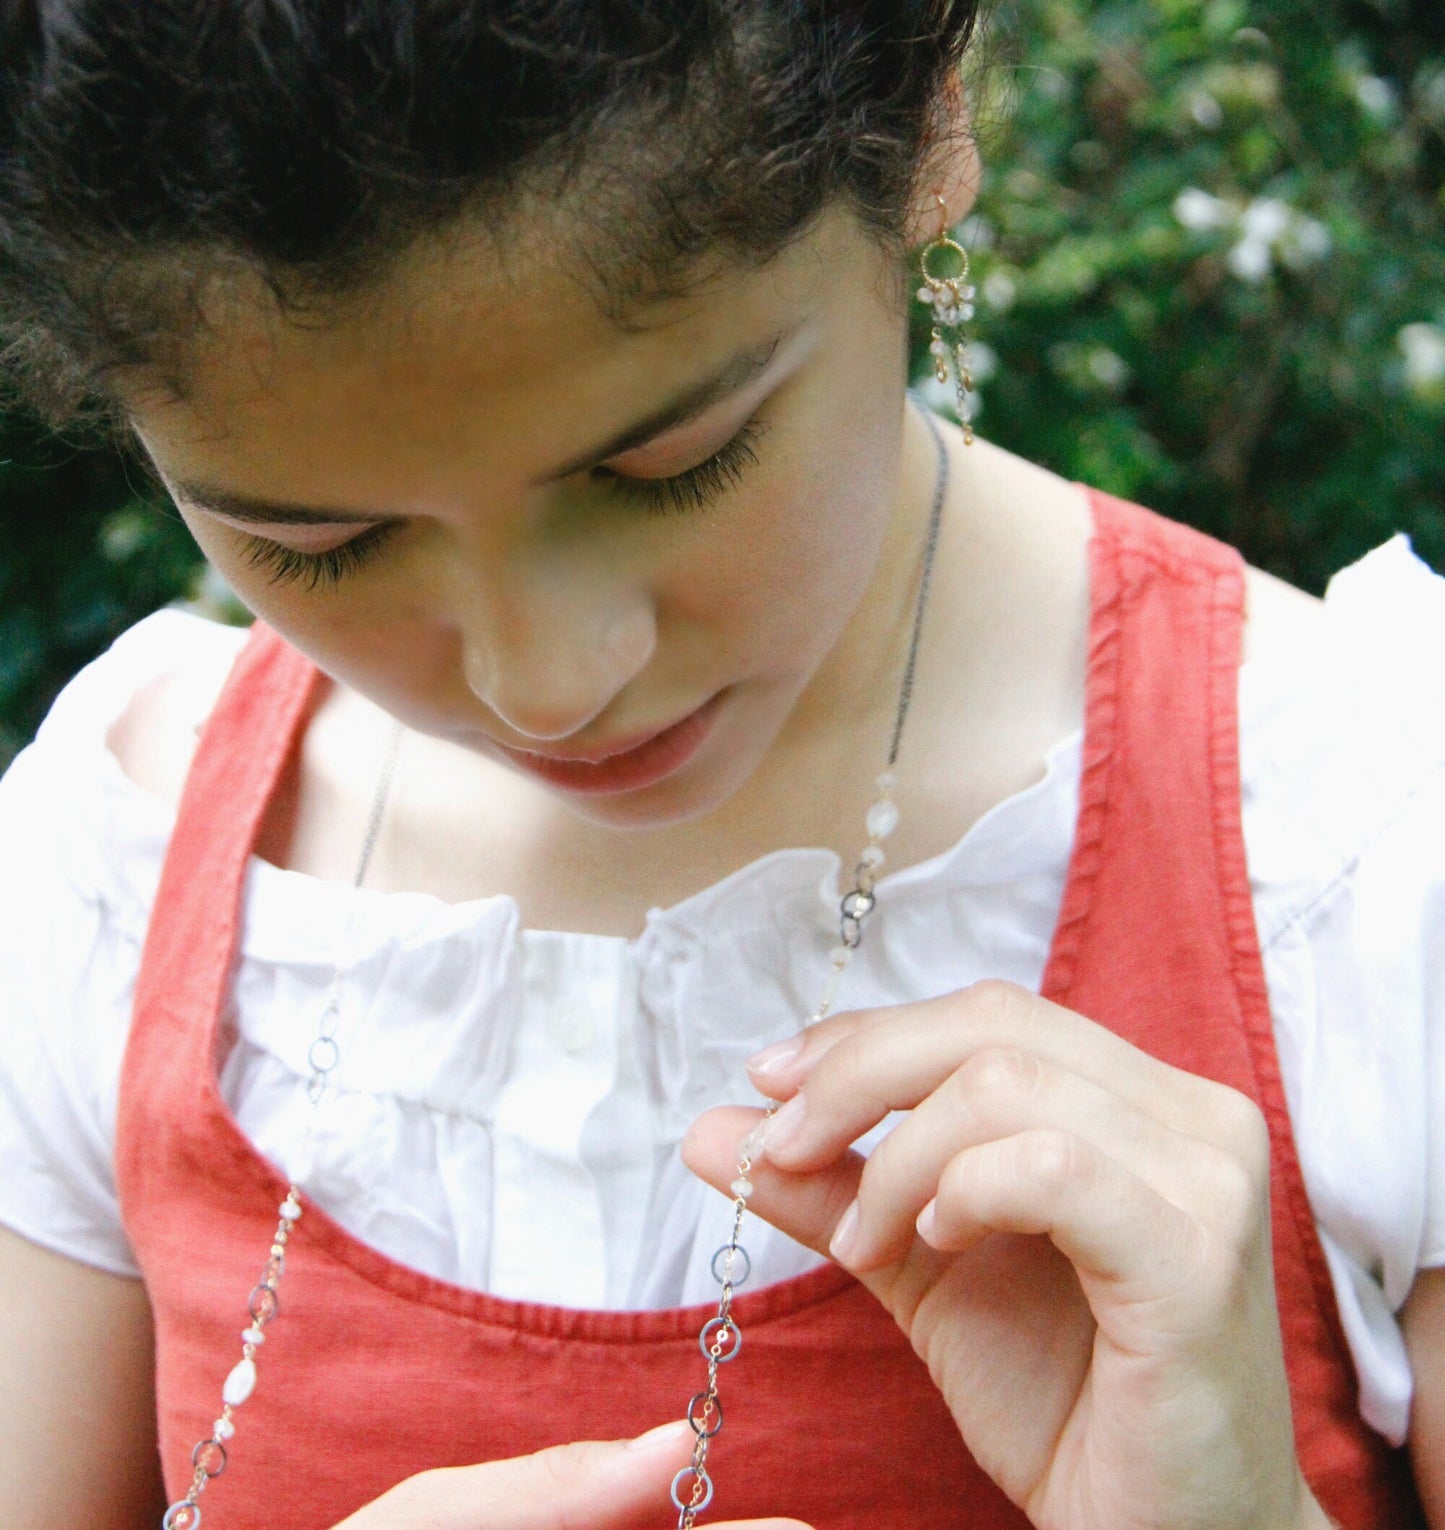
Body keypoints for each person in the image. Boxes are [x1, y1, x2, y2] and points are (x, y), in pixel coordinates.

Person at [0, 4, 1439, 1528]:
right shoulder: (115, 864)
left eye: (671, 466)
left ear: (931, 129)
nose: (544, 686)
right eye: (320, 544)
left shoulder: (1356, 840)